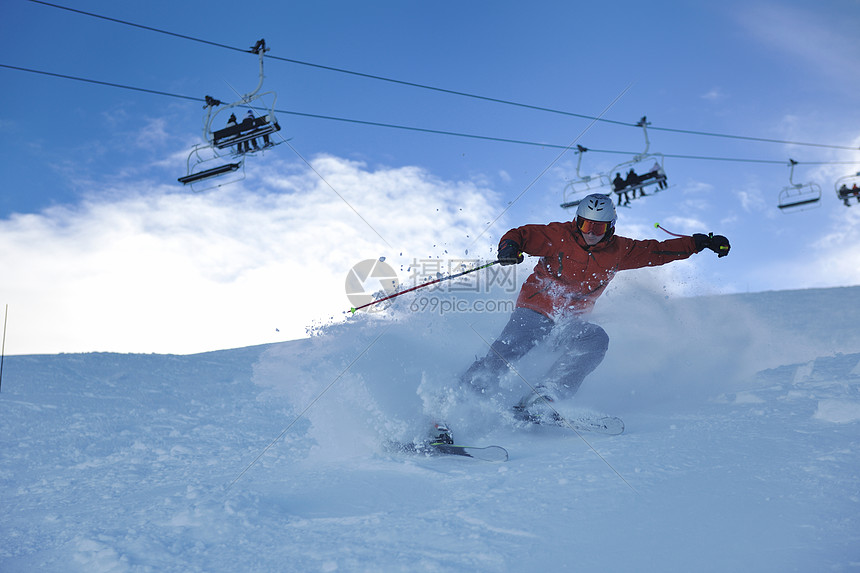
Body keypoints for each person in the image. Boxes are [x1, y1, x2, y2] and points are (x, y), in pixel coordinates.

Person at [458, 193, 730, 422]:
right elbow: (522, 235)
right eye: (585, 225)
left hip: (569, 322)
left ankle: (544, 397)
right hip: (536, 309)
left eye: (597, 228)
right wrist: (510, 247)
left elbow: (657, 251)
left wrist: (698, 243)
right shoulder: (559, 235)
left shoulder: (620, 250)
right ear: (577, 221)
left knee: (595, 338)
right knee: (507, 351)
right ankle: (455, 403)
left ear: (610, 227)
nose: (590, 234)